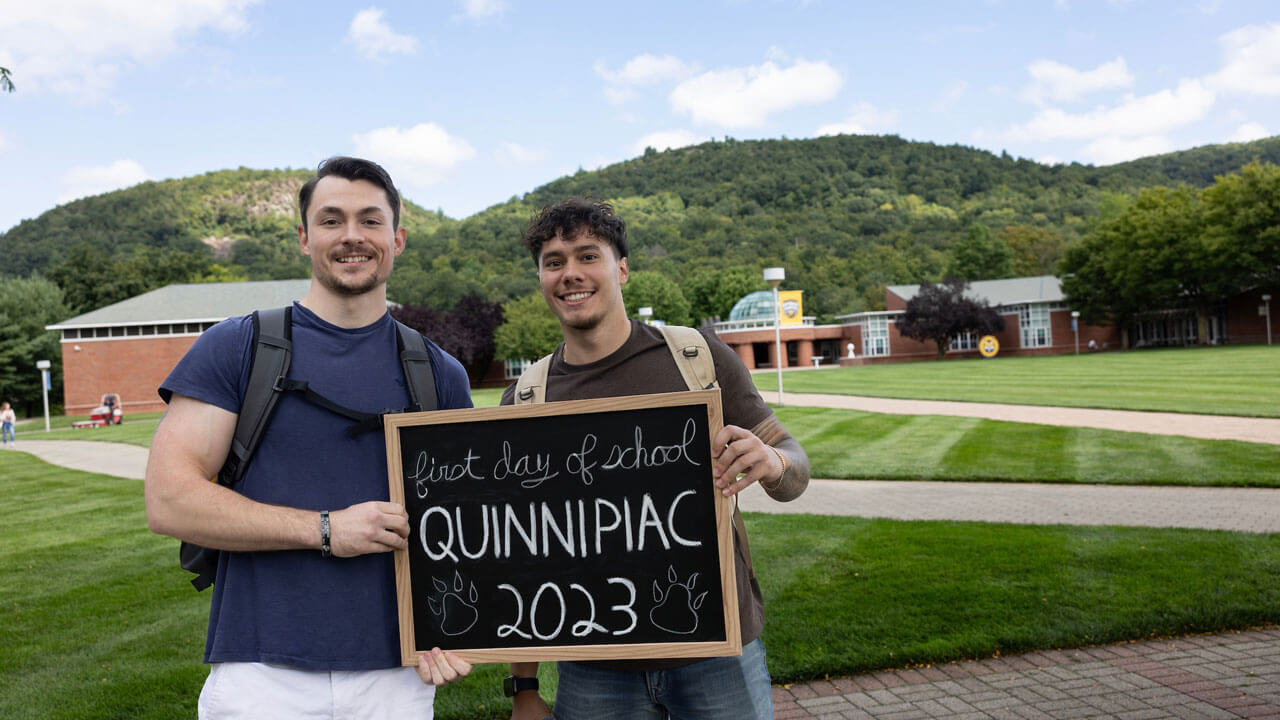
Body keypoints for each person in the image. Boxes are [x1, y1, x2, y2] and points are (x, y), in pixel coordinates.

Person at [145, 156, 474, 719]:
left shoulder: (439, 372)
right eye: (331, 220)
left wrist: (464, 623)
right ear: (303, 237)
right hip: (260, 674)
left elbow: (466, 526)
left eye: (370, 220)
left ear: (397, 238)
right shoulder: (237, 346)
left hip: (396, 679)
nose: (352, 236)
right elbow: (170, 500)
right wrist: (326, 530)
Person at [500, 198, 810, 720]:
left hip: (718, 652)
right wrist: (524, 689)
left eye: (586, 256)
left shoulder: (696, 357)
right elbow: (519, 554)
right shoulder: (529, 397)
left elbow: (792, 465)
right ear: (540, 278)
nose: (570, 273)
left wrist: (773, 463)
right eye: (553, 262)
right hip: (594, 665)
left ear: (622, 268)